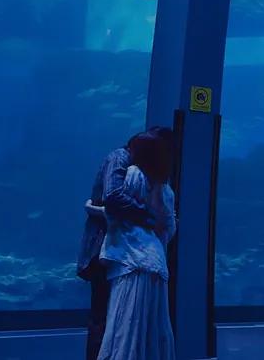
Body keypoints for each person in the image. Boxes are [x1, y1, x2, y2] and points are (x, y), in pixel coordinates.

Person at [78, 128, 170, 360]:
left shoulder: (132, 171)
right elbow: (168, 225)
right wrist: (153, 221)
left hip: (124, 257)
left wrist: (94, 209)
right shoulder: (160, 182)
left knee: (112, 321)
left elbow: (114, 199)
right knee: (145, 327)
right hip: (154, 261)